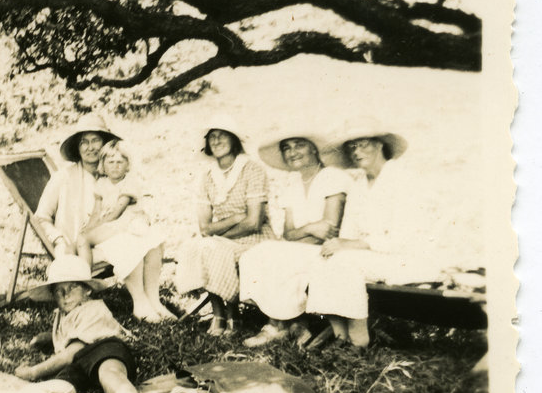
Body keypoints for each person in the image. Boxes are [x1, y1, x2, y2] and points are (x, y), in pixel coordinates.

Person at [305, 121, 441, 347]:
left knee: (347, 261)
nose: (356, 152)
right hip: (372, 255)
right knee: (324, 260)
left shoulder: (404, 179)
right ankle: (340, 336)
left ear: (379, 145)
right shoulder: (359, 185)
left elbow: (403, 237)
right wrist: (338, 244)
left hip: (408, 257)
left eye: (363, 145)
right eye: (352, 148)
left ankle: (359, 340)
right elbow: (348, 230)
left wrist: (350, 245)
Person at [35, 113, 173, 322]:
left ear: (106, 145)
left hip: (110, 234)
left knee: (153, 240)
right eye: (84, 142)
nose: (90, 147)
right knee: (128, 243)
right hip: (81, 247)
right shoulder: (64, 177)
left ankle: (154, 300)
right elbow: (41, 216)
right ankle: (140, 304)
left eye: (96, 141)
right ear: (78, 147)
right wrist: (58, 239)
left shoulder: (114, 174)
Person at [238, 130, 352, 347]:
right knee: (258, 253)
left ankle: (278, 326)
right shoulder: (292, 184)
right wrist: (310, 227)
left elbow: (330, 229)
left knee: (279, 255)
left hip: (332, 250)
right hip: (301, 248)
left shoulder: (333, 177)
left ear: (313, 148)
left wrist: (302, 236)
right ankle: (291, 323)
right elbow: (288, 233)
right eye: (286, 148)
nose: (292, 152)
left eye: (299, 145)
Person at [14, 255, 149, 393]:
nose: (65, 295)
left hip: (103, 349)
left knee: (111, 375)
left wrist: (33, 372)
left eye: (72, 287)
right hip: (77, 365)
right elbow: (69, 336)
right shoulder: (61, 316)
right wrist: (46, 338)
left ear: (87, 290)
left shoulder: (94, 308)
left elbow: (71, 352)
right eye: (59, 291)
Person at [174, 114, 274, 336]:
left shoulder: (251, 169)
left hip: (255, 239)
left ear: (234, 140)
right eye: (212, 138)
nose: (217, 141)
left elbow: (254, 221)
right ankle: (219, 313)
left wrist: (220, 231)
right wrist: (235, 218)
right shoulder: (207, 176)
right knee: (193, 247)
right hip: (225, 236)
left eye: (223, 136)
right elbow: (204, 227)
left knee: (214, 248)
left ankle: (233, 313)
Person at [75, 140, 158, 268]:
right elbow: (96, 212)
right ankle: (82, 271)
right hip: (108, 222)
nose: (115, 166)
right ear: (103, 165)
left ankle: (84, 274)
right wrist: (89, 227)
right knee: (81, 237)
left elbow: (116, 213)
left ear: (127, 165)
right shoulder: (101, 184)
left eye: (120, 162)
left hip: (124, 223)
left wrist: (96, 227)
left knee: (84, 240)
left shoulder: (129, 182)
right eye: (111, 162)